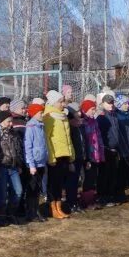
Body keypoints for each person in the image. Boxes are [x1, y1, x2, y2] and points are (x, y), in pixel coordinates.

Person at [43, 90, 73, 219]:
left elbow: (68, 137)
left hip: (65, 154)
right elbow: (47, 138)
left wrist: (71, 155)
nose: (63, 104)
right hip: (55, 156)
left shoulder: (63, 116)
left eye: (63, 101)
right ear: (54, 103)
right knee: (54, 183)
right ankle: (53, 208)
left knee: (60, 183)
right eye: (60, 102)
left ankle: (59, 207)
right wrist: (51, 157)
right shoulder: (49, 117)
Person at [0, 110, 23, 226]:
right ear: (1, 121)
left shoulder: (14, 133)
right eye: (8, 121)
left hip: (14, 167)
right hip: (1, 166)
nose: (11, 124)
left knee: (18, 191)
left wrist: (19, 164)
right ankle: (1, 217)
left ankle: (11, 214)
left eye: (11, 121)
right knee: (2, 193)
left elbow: (18, 149)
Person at [23, 103, 48, 222]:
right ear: (34, 113)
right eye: (40, 113)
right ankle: (31, 212)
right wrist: (31, 165)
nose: (42, 114)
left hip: (41, 162)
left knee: (37, 189)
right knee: (32, 189)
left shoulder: (41, 126)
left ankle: (36, 210)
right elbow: (28, 147)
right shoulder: (31, 126)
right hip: (33, 164)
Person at [96, 95, 120, 207]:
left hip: (115, 149)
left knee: (113, 174)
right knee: (104, 174)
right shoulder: (101, 118)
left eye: (112, 103)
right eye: (109, 103)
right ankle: (102, 196)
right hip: (105, 149)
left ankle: (110, 195)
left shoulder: (114, 115)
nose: (111, 105)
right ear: (103, 103)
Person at [80, 99, 103, 208]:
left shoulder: (94, 121)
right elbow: (85, 141)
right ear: (85, 110)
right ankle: (87, 201)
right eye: (92, 109)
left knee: (94, 176)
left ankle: (92, 199)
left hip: (95, 153)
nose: (94, 112)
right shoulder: (83, 123)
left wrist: (100, 153)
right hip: (88, 154)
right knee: (88, 178)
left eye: (95, 109)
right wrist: (87, 157)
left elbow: (98, 138)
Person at [114, 95, 129, 203]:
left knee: (126, 171)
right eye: (125, 103)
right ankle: (119, 192)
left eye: (128, 103)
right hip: (121, 148)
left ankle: (123, 190)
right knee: (120, 173)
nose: (127, 105)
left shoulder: (128, 115)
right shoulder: (118, 116)